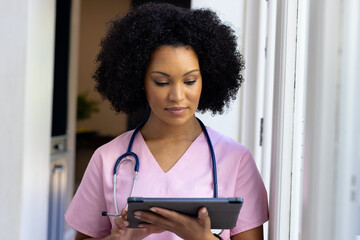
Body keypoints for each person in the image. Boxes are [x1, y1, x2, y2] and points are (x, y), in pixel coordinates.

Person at [65, 3, 268, 240]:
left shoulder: (236, 160)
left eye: (190, 81)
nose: (177, 96)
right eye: (162, 82)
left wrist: (200, 237)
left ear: (207, 79)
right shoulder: (107, 159)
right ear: (140, 81)